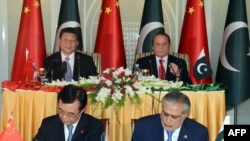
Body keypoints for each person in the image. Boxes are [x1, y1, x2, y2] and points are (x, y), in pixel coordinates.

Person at [33, 84, 104, 141]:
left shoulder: (94, 126)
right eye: (60, 110)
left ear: (82, 110)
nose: (64, 116)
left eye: (70, 114)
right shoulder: (48, 124)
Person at [131, 91, 209, 141]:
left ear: (185, 115)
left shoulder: (199, 133)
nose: (167, 120)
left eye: (174, 117)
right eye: (165, 114)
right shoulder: (143, 126)